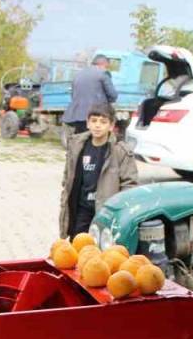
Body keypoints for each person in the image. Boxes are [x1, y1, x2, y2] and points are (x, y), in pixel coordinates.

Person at [59, 102, 138, 238]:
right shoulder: (77, 146)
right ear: (87, 123)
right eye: (94, 121)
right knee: (79, 247)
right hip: (81, 210)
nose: (97, 125)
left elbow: (129, 185)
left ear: (111, 126)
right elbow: (67, 178)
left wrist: (119, 211)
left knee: (103, 252)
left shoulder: (121, 151)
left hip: (105, 213)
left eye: (103, 122)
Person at [62, 54, 118, 135]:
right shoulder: (103, 74)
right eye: (107, 66)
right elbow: (113, 95)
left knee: (80, 140)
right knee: (95, 142)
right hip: (95, 116)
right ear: (104, 64)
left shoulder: (78, 74)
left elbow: (73, 95)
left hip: (76, 116)